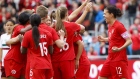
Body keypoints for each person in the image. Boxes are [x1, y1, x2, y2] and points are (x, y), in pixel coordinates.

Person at [98, 5, 132, 79]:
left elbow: (129, 41)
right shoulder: (110, 26)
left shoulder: (119, 26)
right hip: (110, 58)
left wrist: (119, 49)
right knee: (101, 77)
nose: (103, 16)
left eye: (105, 14)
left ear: (111, 15)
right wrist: (104, 39)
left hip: (119, 59)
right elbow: (113, 38)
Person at [52, 6, 85, 79]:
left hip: (55, 59)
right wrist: (76, 31)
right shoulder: (71, 25)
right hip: (67, 59)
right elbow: (83, 28)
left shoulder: (53, 27)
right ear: (66, 14)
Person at [21, 14, 53, 79]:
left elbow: (23, 51)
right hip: (47, 64)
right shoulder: (48, 33)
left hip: (36, 65)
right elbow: (51, 51)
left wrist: (21, 41)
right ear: (40, 22)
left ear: (30, 22)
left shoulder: (28, 34)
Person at [4, 10, 33, 79]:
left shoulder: (29, 27)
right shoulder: (19, 27)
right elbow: (23, 31)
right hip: (13, 60)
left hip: (23, 60)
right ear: (28, 20)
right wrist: (35, 23)